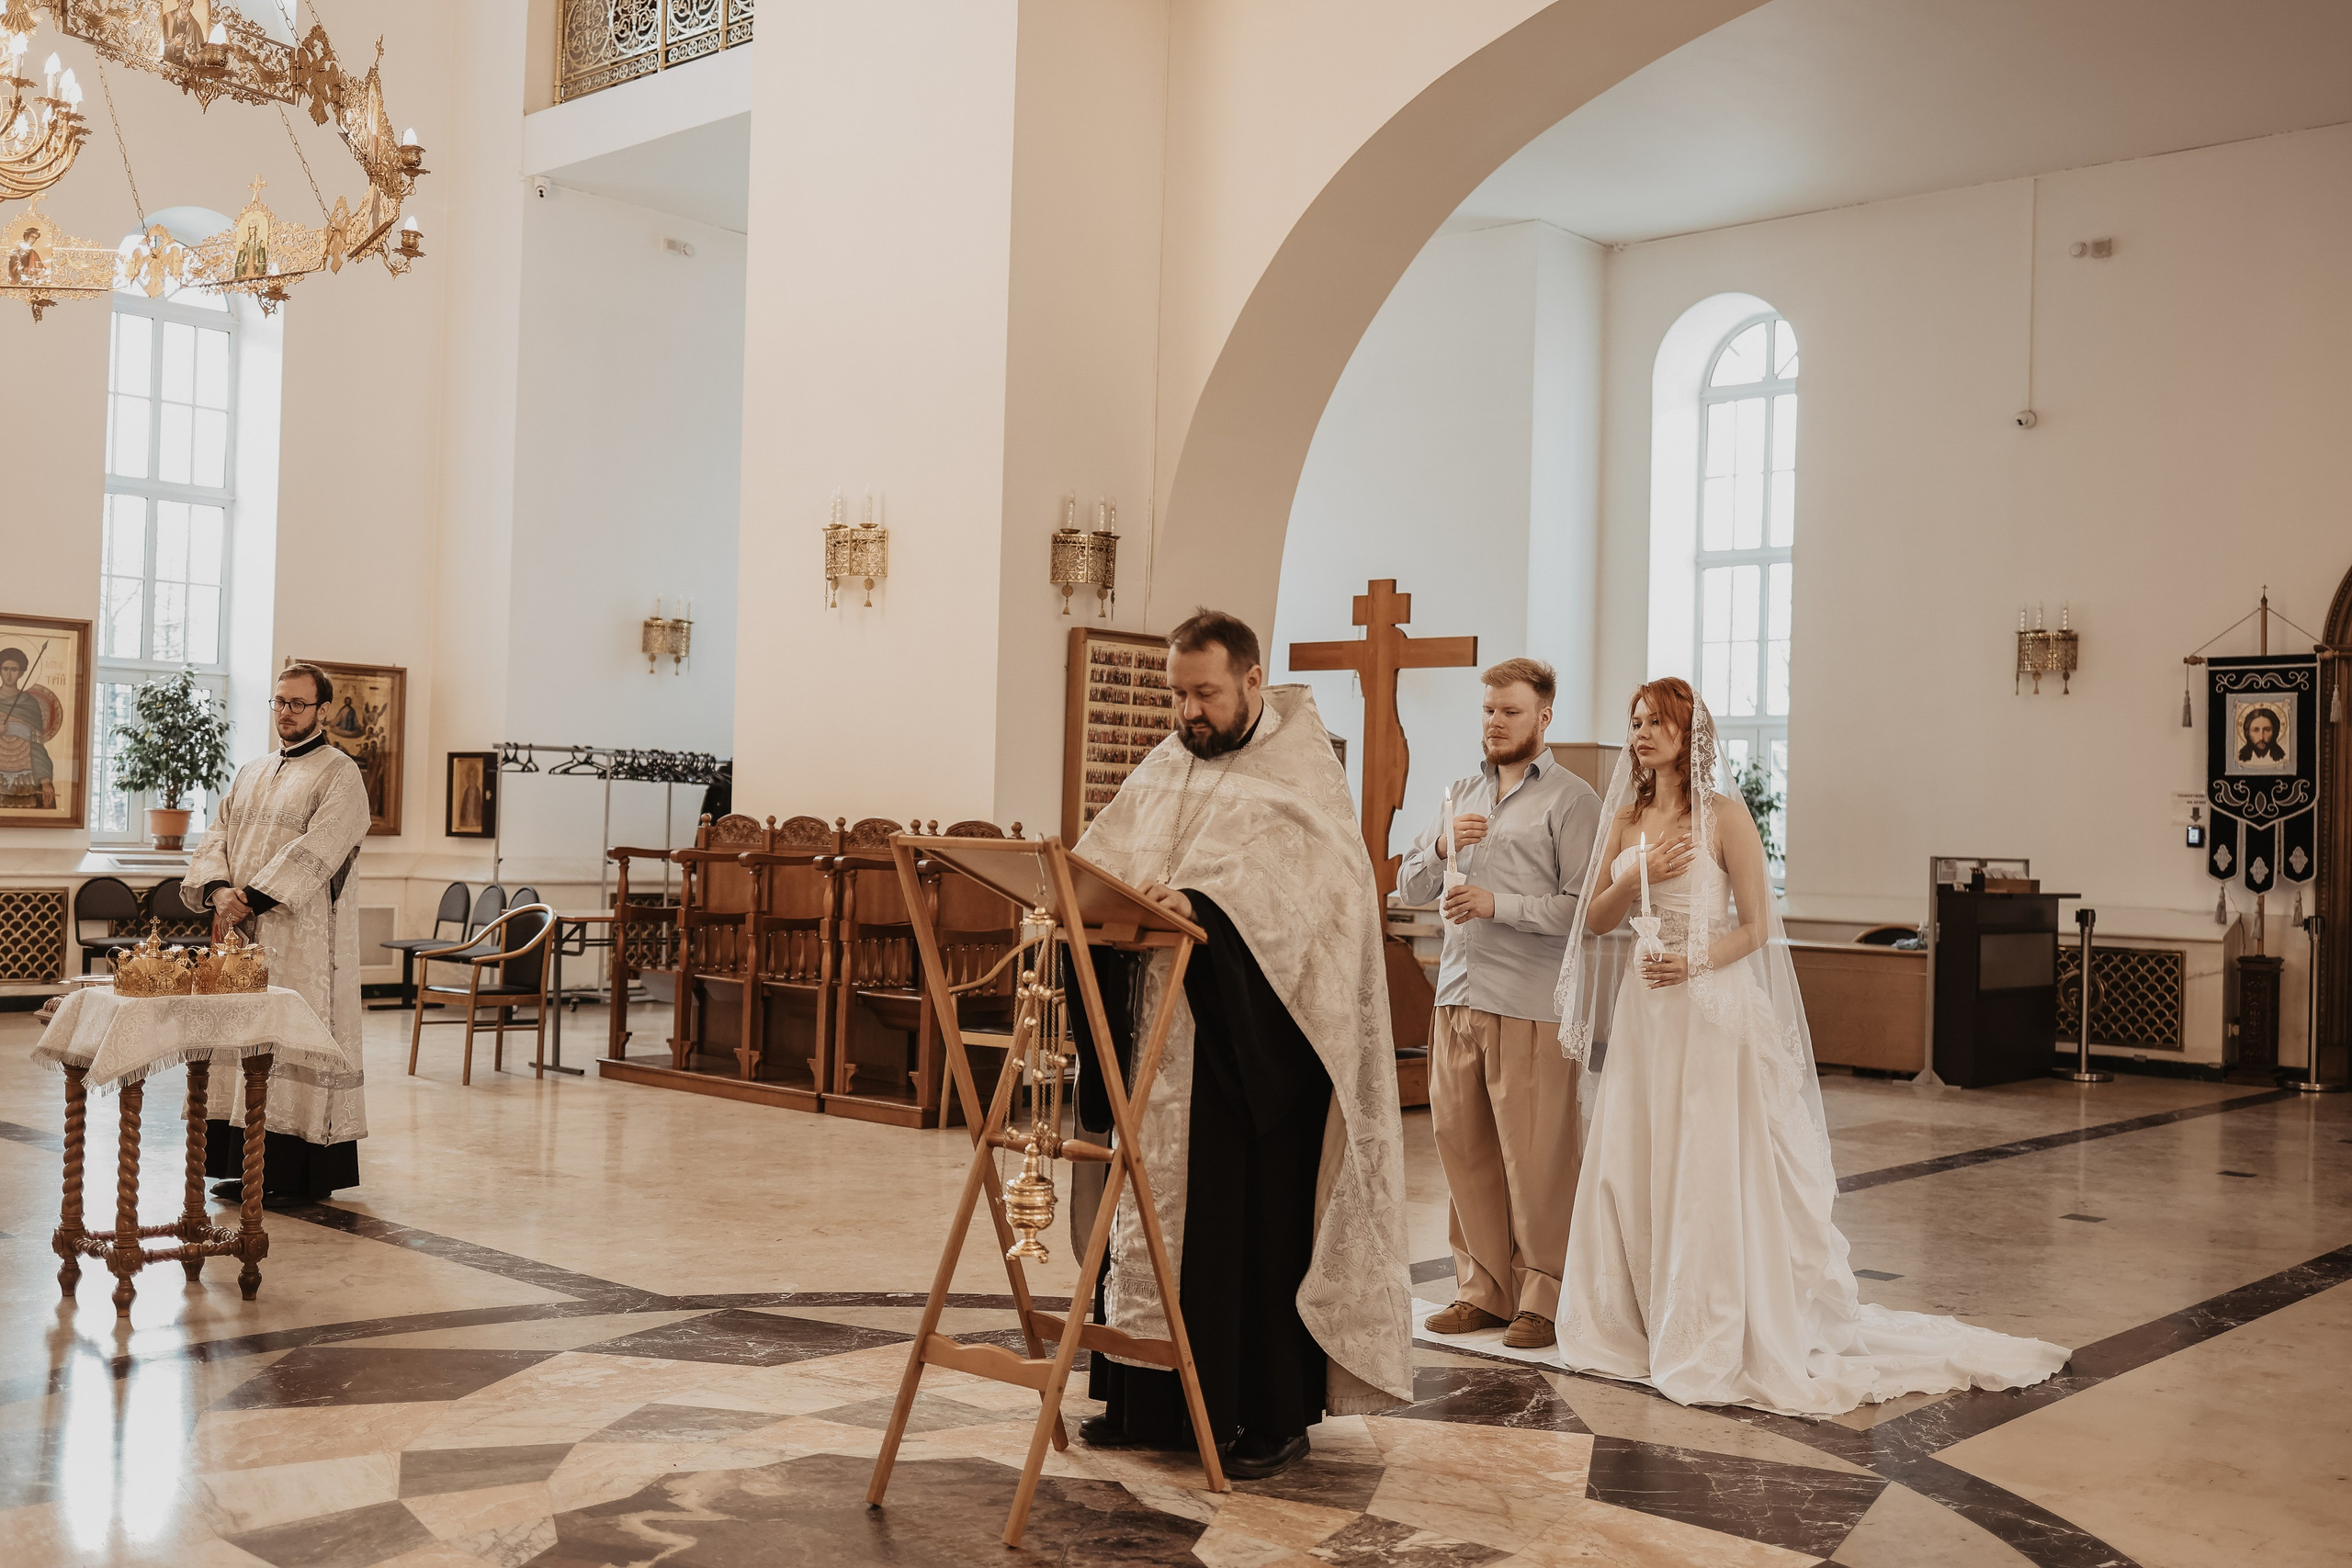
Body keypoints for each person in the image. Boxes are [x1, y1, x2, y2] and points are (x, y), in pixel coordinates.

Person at [1550, 677, 2069, 1416]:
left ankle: (1705, 1318)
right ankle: (1634, 1314)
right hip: (1646, 1011)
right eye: (1635, 721)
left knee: (1702, 1157)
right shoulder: (1626, 816)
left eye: (1656, 721)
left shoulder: (1727, 818)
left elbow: (1758, 927)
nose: (1641, 733)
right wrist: (1637, 873)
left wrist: (1695, 960)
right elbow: (1597, 918)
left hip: (1705, 1006)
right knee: (1638, 1154)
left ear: (1689, 732)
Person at [1070, 608, 1412, 1480]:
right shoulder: (1165, 762)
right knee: (1149, 1221)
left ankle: (1269, 1414)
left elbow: (1322, 907)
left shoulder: (1301, 772)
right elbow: (1103, 861)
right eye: (1179, 694)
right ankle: (1144, 1398)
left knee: (1247, 1224)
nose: (1188, 711)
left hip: (1254, 1042)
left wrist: (1206, 910)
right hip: (1158, 1034)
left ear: (1253, 682)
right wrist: (1101, 903)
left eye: (1205, 693)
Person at [1395, 659, 1601, 1351]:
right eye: (1488, 709)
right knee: (1464, 1148)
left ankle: (1543, 1294)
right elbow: (1409, 886)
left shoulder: (1573, 801)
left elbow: (1582, 909)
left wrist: (1496, 904)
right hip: (1456, 995)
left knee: (1538, 1155)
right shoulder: (1458, 791)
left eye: (1510, 711)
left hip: (1529, 1002)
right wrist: (1442, 843)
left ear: (1544, 717)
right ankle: (1482, 1288)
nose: (1495, 721)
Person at [190, 662, 372, 1208]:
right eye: (279, 702)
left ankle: (295, 1172)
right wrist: (220, 891)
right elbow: (216, 834)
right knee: (239, 1037)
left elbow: (322, 847)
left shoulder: (339, 773)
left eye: (297, 704)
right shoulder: (250, 770)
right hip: (237, 934)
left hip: (302, 936)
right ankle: (241, 1166)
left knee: (289, 1036)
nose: (286, 713)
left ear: (322, 710)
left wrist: (252, 898)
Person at [0, 645, 62, 810]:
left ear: (21, 673)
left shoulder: (29, 703)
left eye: (14, 669)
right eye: (5, 668)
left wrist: (45, 781)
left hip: (25, 774)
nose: (9, 673)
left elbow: (36, 744)